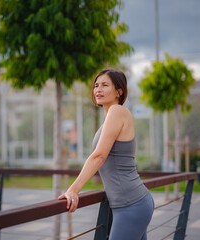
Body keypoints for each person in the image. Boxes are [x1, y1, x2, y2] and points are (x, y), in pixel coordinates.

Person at [58, 69, 154, 240]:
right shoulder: (110, 117)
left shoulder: (118, 112)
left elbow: (99, 156)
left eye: (104, 85)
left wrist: (73, 190)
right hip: (129, 203)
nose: (98, 90)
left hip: (131, 204)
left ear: (119, 91)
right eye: (96, 85)